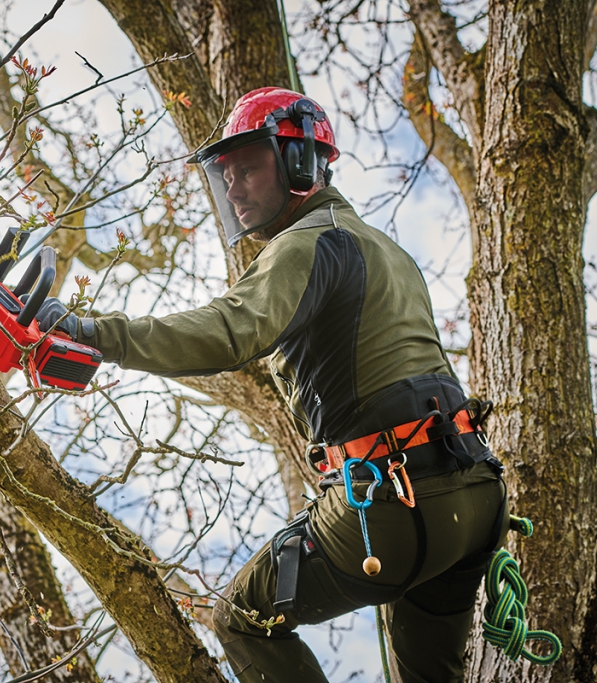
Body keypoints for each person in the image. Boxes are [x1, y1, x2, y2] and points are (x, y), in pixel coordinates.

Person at [34, 87, 507, 683]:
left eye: (248, 168)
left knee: (240, 616)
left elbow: (229, 331)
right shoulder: (386, 249)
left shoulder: (308, 242)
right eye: (225, 175)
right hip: (474, 498)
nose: (232, 189)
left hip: (395, 498)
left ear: (301, 163)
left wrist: (95, 334)